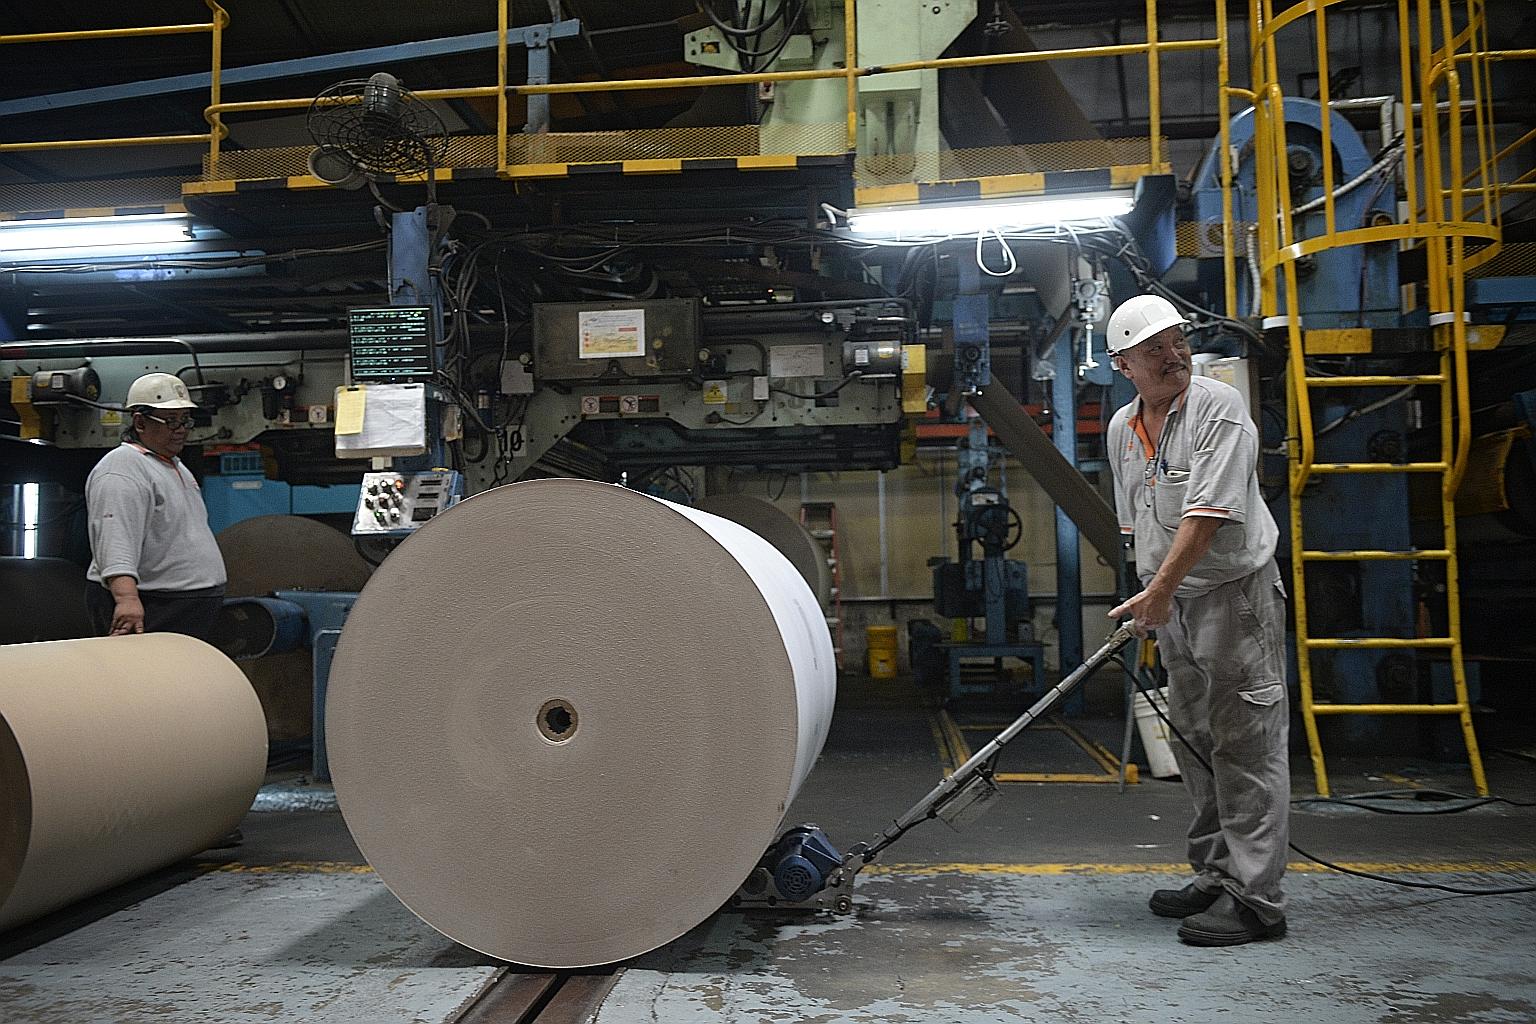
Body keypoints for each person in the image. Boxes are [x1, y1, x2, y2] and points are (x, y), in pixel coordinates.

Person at [1103, 294, 1289, 947]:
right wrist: (1152, 596)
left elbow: (1207, 514)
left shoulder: (1218, 407)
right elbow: (1136, 523)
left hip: (1234, 597)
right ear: (1123, 364)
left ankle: (1257, 899)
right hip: (1174, 602)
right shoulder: (1123, 428)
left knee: (1246, 742)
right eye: (1154, 348)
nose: (1173, 354)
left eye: (1177, 341)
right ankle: (1216, 873)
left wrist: (1159, 592)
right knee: (1195, 740)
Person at [85, 372, 228, 641]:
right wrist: (127, 599)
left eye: (185, 420)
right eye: (171, 421)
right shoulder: (122, 468)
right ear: (140, 422)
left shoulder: (170, 465)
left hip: (179, 605)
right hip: (151, 605)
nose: (181, 429)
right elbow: (115, 535)